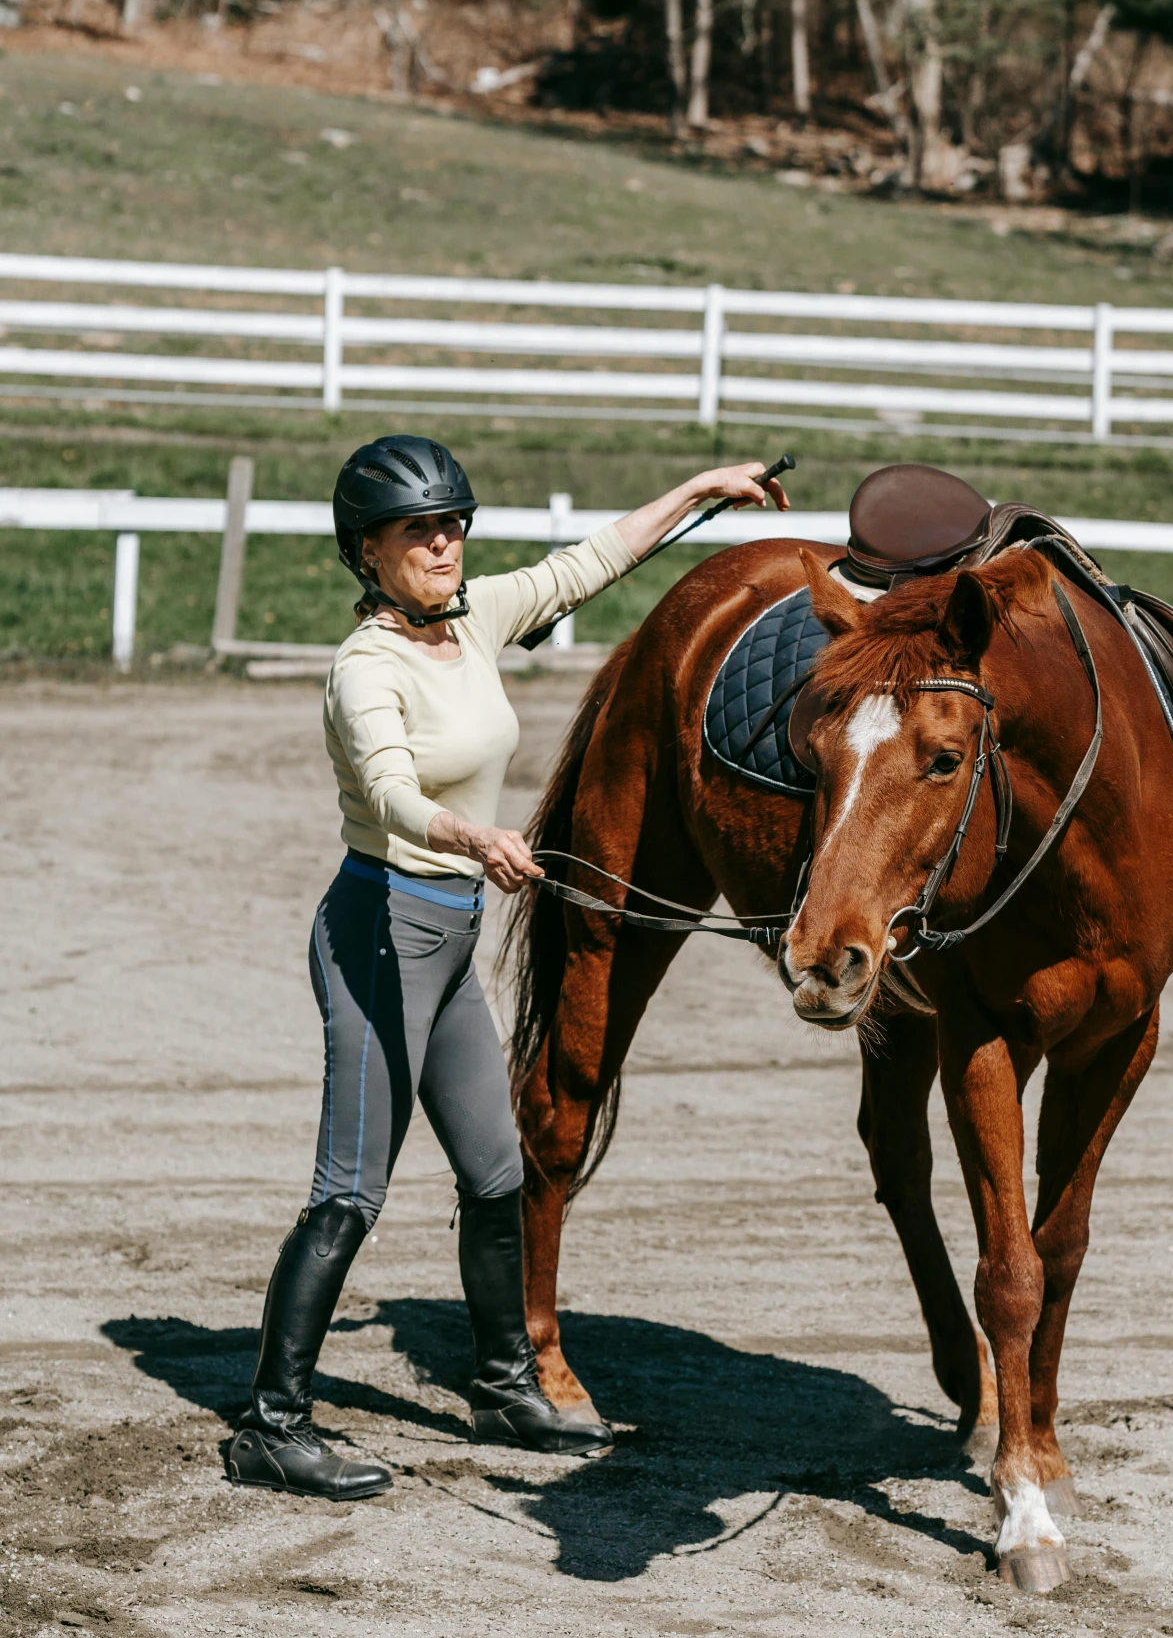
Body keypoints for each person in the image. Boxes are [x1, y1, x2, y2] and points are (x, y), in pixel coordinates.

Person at [223, 434, 788, 1499]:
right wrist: (473, 837)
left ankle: (500, 1382)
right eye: (418, 530)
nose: (445, 542)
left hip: (445, 939)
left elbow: (591, 560)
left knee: (496, 1172)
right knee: (348, 1193)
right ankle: (272, 1422)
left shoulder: (472, 620)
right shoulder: (366, 667)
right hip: (381, 931)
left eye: (453, 522)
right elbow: (387, 790)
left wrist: (702, 488)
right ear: (367, 550)